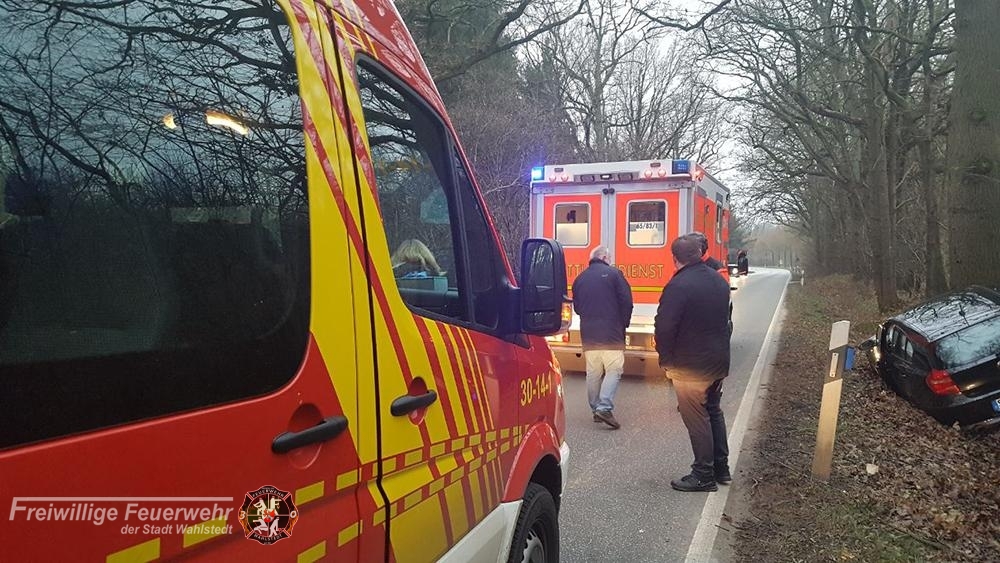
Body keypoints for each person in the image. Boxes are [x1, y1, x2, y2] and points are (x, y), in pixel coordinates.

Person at [655, 235, 731, 492]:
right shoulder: (718, 281)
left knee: (697, 419)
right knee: (713, 411)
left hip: (690, 366)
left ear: (674, 258)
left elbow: (664, 327)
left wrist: (666, 360)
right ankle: (721, 468)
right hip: (717, 362)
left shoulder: (678, 285)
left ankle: (703, 475)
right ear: (699, 253)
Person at [571, 245, 633, 429]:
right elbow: (627, 302)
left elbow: (578, 308)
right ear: (605, 257)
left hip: (589, 334)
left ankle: (595, 408)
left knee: (593, 372)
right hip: (612, 333)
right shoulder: (615, 275)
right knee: (614, 369)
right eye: (610, 258)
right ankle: (604, 407)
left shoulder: (580, 279)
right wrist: (624, 323)